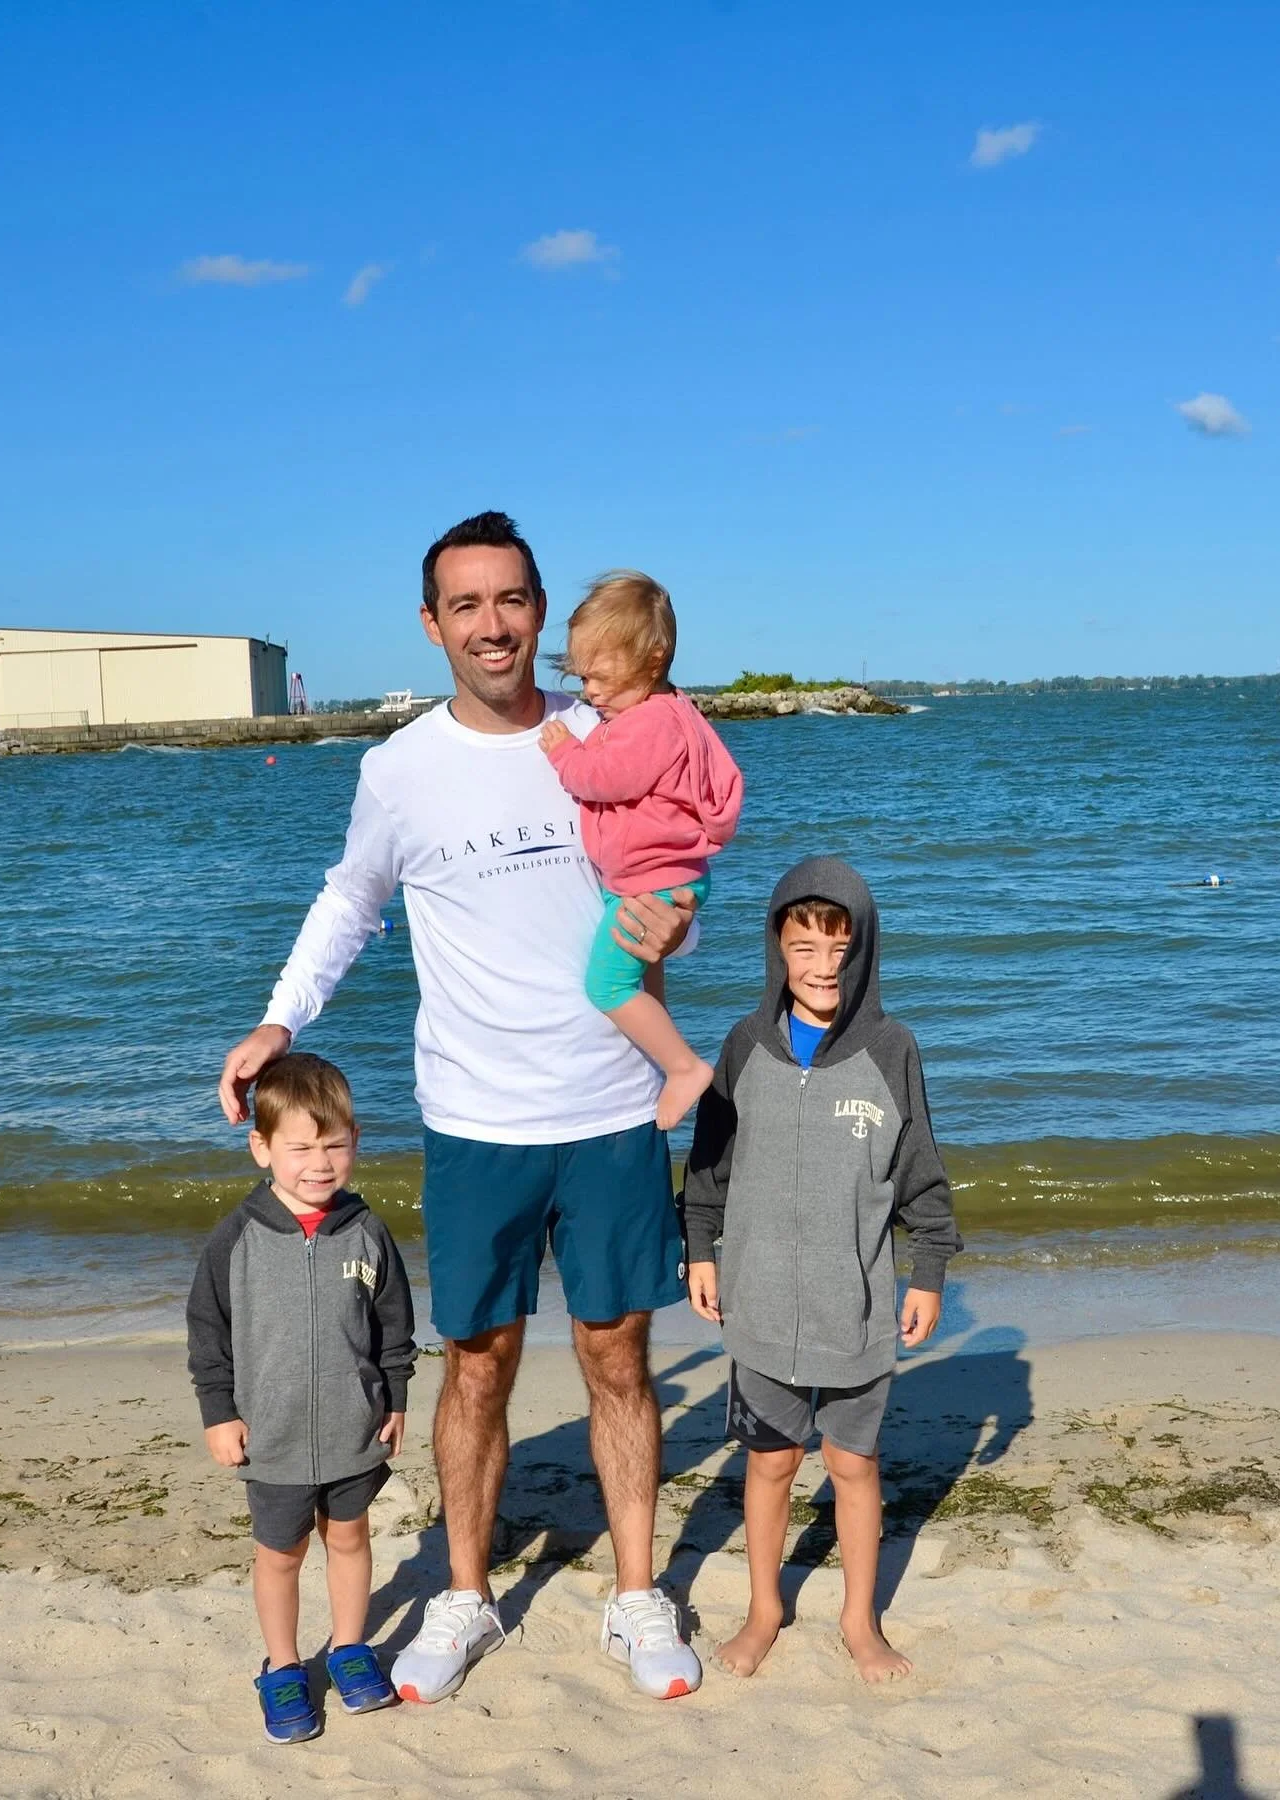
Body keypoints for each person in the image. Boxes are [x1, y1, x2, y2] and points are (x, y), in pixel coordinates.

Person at [217, 511, 704, 1704]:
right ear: (433, 625)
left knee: (617, 1358)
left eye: (514, 600)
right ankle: (465, 1596)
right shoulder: (399, 769)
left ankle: (637, 1594)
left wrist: (681, 915)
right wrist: (284, 1020)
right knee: (475, 1366)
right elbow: (350, 901)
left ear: (544, 613)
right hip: (477, 1120)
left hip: (611, 1108)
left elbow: (678, 848)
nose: (495, 625)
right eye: (469, 605)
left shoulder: (610, 727)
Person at [682, 856, 962, 1682]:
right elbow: (707, 1168)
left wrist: (928, 1270)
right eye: (804, 948)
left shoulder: (890, 1049)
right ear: (777, 949)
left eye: (840, 947)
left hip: (859, 1303)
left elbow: (923, 1175)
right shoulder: (744, 1047)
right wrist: (700, 1248)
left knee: (853, 1465)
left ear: (864, 949)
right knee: (769, 1462)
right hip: (760, 1301)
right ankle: (765, 1608)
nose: (823, 965)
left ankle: (859, 1621)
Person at [186, 1053, 417, 1744]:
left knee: (349, 1538)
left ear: (355, 1142)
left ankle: (349, 1648)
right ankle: (283, 1665)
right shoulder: (237, 1239)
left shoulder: (366, 1230)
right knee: (280, 1553)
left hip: (355, 1428)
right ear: (261, 1148)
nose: (319, 1163)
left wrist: (396, 1396)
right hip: (274, 1434)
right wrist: (219, 1413)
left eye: (335, 1145)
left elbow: (394, 1325)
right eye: (300, 1148)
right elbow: (208, 1334)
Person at [539, 572, 743, 1131]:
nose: (590, 693)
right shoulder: (661, 712)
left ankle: (682, 1067)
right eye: (583, 678)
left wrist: (565, 752)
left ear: (653, 661)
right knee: (641, 975)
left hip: (653, 881)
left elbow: (605, 778)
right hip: (656, 876)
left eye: (602, 678)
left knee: (604, 984)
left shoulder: (650, 723)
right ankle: (663, 1057)